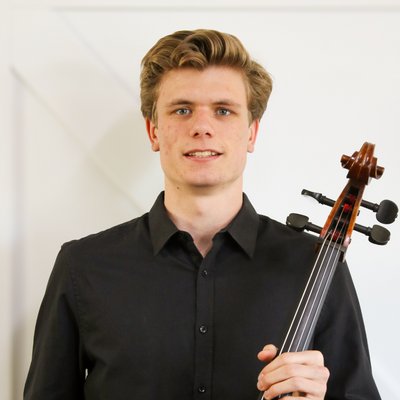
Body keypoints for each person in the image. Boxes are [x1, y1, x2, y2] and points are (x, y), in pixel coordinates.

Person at [24, 29, 381, 400]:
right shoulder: (82, 266)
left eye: (224, 110)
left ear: (251, 134)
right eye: (182, 110)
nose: (202, 127)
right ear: (153, 131)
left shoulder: (316, 263)